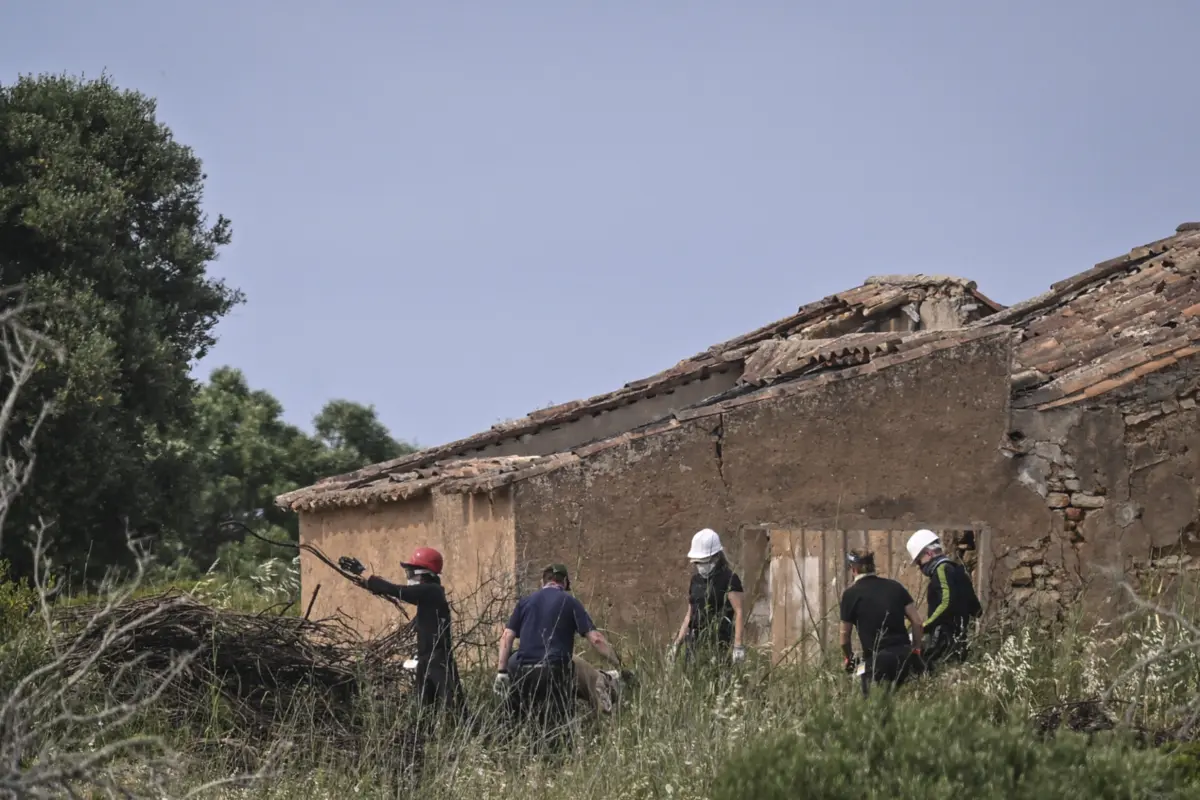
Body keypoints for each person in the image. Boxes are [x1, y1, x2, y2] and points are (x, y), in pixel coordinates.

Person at [495, 563, 624, 750]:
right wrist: (617, 661)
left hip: (523, 670)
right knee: (559, 728)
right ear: (564, 582)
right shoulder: (569, 602)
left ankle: (513, 754)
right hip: (554, 670)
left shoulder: (525, 602)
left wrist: (501, 671)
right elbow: (596, 640)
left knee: (521, 720)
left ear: (543, 581)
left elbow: (506, 636)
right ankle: (557, 761)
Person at [338, 547, 467, 722]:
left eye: (411, 573)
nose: (409, 577)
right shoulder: (428, 596)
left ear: (424, 573)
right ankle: (422, 742)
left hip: (438, 660)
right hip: (426, 658)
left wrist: (364, 574)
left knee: (455, 707)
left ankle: (467, 736)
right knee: (424, 709)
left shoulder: (432, 591)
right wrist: (367, 582)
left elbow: (398, 591)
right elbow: (394, 590)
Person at [839, 548, 924, 696]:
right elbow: (917, 622)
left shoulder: (851, 594)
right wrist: (916, 650)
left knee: (871, 706)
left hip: (876, 661)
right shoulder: (895, 587)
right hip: (904, 656)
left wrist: (849, 658)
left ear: (853, 569)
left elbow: (844, 636)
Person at [905, 529, 983, 671]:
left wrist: (925, 625)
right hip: (960, 638)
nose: (920, 566)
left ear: (929, 553)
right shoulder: (958, 569)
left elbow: (946, 602)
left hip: (945, 637)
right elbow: (976, 608)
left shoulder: (941, 570)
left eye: (919, 561)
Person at [668, 528, 746, 667]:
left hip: (719, 644)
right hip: (694, 645)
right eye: (698, 562)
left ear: (716, 557)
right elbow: (690, 614)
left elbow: (739, 611)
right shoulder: (696, 581)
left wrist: (738, 646)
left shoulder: (729, 579)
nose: (701, 566)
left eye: (704, 561)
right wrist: (677, 644)